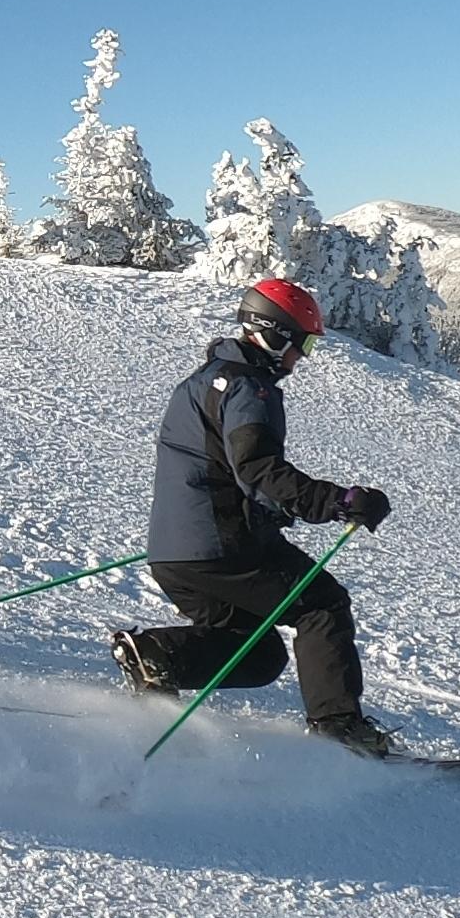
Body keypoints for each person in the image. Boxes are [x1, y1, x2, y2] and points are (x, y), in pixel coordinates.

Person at [111, 278, 397, 756]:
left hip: (177, 555)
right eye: (302, 343)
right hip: (224, 547)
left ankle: (156, 657)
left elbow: (213, 466)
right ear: (274, 334)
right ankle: (338, 729)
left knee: (258, 653)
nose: (302, 357)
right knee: (322, 606)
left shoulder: (204, 380)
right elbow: (258, 469)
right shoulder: (248, 387)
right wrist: (339, 502)